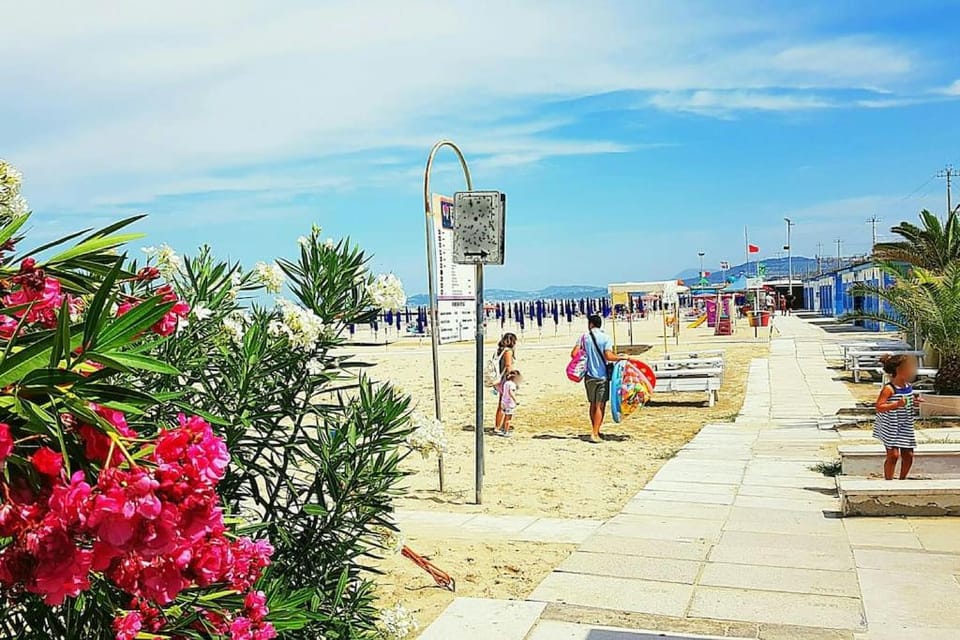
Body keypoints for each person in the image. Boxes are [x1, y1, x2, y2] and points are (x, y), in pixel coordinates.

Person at [572, 315, 627, 444]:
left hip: (588, 376)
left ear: (590, 324)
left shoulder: (583, 337)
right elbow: (608, 356)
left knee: (592, 404)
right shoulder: (605, 338)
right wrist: (621, 357)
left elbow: (574, 354)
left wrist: (586, 356)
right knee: (600, 405)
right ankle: (595, 433)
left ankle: (595, 429)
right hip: (602, 376)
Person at [873, 354, 921, 480]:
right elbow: (879, 406)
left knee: (908, 455)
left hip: (905, 424)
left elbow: (907, 401)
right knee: (893, 455)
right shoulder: (889, 389)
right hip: (891, 426)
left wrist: (914, 402)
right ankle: (889, 480)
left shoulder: (907, 387)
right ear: (899, 370)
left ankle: (902, 479)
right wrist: (896, 404)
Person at [494, 333, 517, 434]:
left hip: (499, 379)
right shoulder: (508, 351)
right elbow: (508, 365)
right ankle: (499, 426)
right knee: (504, 403)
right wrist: (512, 377)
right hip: (505, 380)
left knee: (503, 402)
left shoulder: (499, 350)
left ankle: (501, 425)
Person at [497, 370, 522, 438]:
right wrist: (515, 400)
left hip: (503, 402)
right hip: (509, 404)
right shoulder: (512, 385)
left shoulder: (506, 383)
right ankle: (506, 431)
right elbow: (511, 392)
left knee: (505, 416)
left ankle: (503, 429)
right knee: (508, 419)